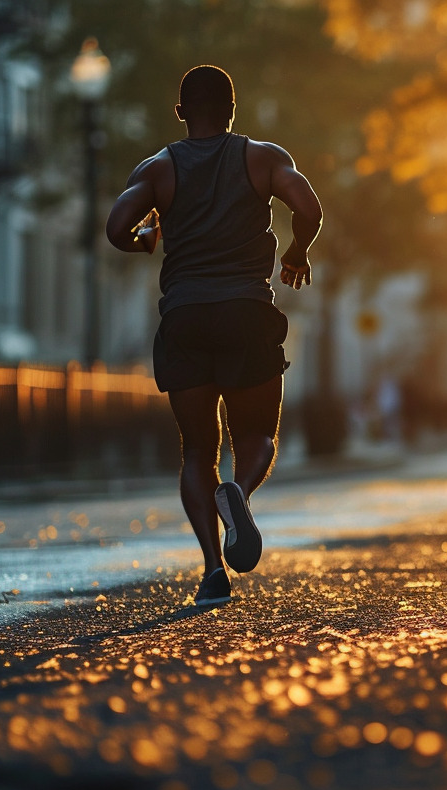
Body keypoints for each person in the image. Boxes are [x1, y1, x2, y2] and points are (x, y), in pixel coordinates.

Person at [106, 65, 322, 607]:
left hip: (186, 319)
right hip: (246, 314)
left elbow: (116, 228)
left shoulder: (158, 169)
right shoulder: (262, 158)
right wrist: (297, 252)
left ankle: (210, 570)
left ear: (180, 112)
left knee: (197, 449)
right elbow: (308, 206)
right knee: (258, 434)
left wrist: (145, 239)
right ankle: (240, 494)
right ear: (232, 109)